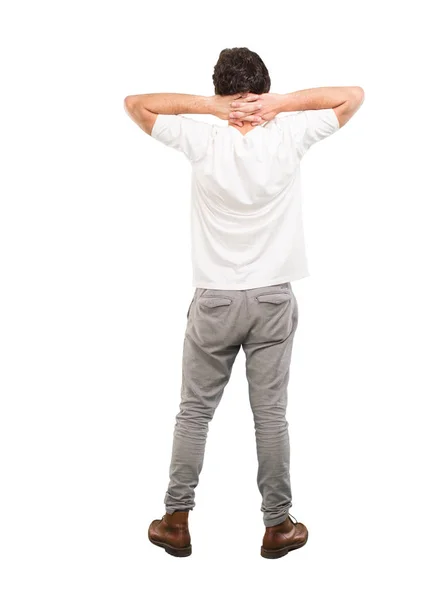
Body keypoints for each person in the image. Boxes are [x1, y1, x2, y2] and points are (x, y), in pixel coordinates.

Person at [124, 47, 364, 559]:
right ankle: (278, 527)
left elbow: (136, 104)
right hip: (273, 298)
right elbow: (353, 96)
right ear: (264, 86)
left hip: (214, 299)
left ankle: (175, 520)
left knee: (193, 413)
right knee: (270, 415)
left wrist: (212, 109)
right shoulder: (290, 132)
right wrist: (282, 105)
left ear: (218, 90)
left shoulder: (199, 133)